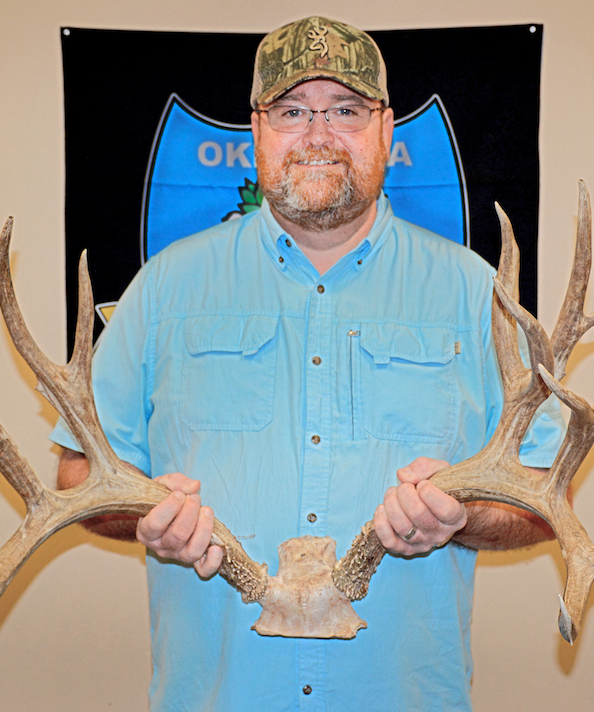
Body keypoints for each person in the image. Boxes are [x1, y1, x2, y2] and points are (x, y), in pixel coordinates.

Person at [53, 16, 565, 711]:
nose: (318, 134)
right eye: (292, 111)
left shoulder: (480, 298)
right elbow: (78, 473)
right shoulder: (165, 290)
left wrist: (462, 516)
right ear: (256, 131)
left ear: (387, 130)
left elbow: (543, 493)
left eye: (346, 110)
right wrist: (141, 514)